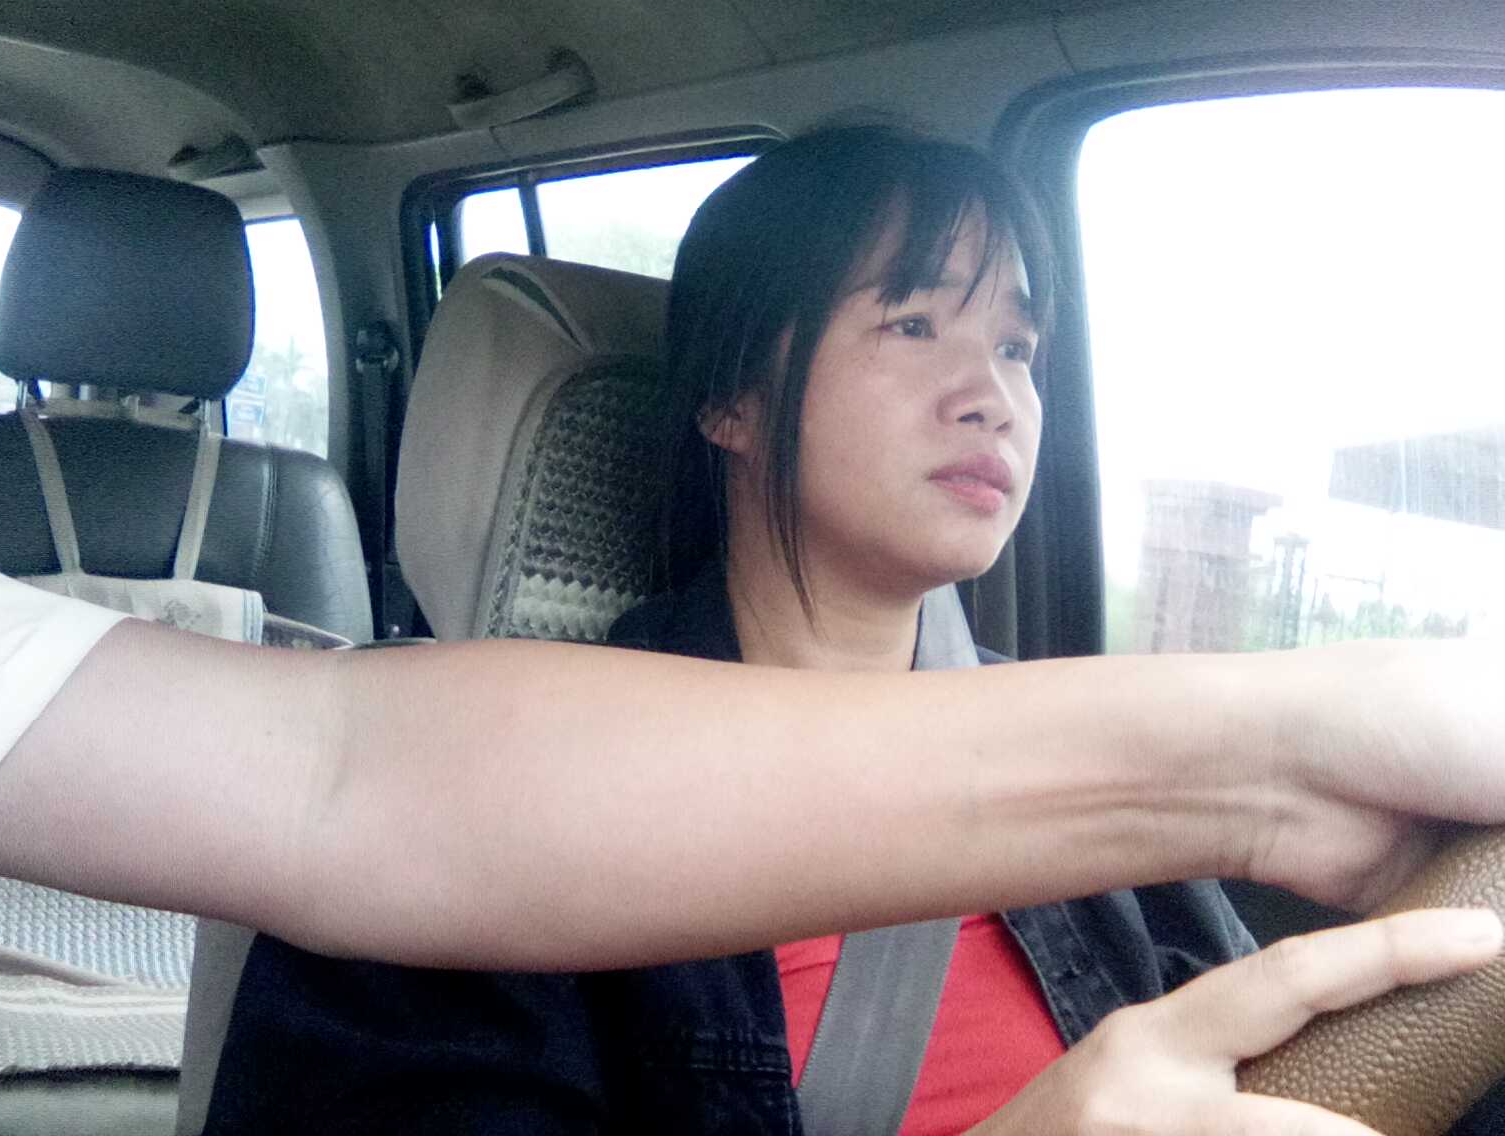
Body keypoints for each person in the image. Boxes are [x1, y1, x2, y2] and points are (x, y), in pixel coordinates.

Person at [199, 126, 1505, 1135]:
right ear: (732, 401)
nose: (992, 395)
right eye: (914, 322)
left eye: (1018, 348)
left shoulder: (1111, 766)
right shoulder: (474, 802)